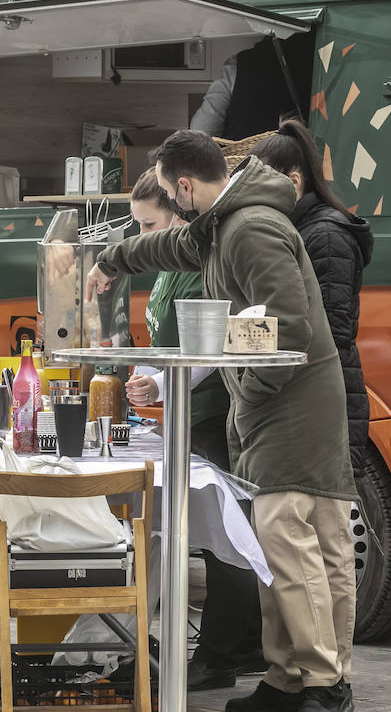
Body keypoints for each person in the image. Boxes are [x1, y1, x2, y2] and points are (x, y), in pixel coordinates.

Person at [87, 131, 356, 712]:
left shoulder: (250, 228)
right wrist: (112, 259)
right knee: (291, 543)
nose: (168, 204)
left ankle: (324, 684)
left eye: (164, 191)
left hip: (293, 404)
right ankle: (288, 678)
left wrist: (246, 386)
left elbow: (288, 327)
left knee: (294, 539)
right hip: (277, 403)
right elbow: (168, 248)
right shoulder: (221, 226)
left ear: (184, 186)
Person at [122, 168, 263, 691]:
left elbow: (208, 343)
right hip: (186, 409)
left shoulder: (198, 262)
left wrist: (160, 381)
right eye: (136, 227)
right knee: (218, 528)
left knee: (220, 532)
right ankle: (247, 643)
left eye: (149, 224)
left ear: (179, 215)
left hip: (210, 409)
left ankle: (220, 653)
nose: (143, 238)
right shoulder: (167, 263)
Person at [251, 120, 374, 466]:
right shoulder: (299, 229)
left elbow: (330, 334)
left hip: (325, 398)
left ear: (293, 182)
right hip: (315, 395)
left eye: (261, 190)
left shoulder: (326, 236)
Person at [189, 34, 315, 140]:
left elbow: (202, 130)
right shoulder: (317, 60)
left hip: (243, 163)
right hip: (298, 162)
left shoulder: (238, 65)